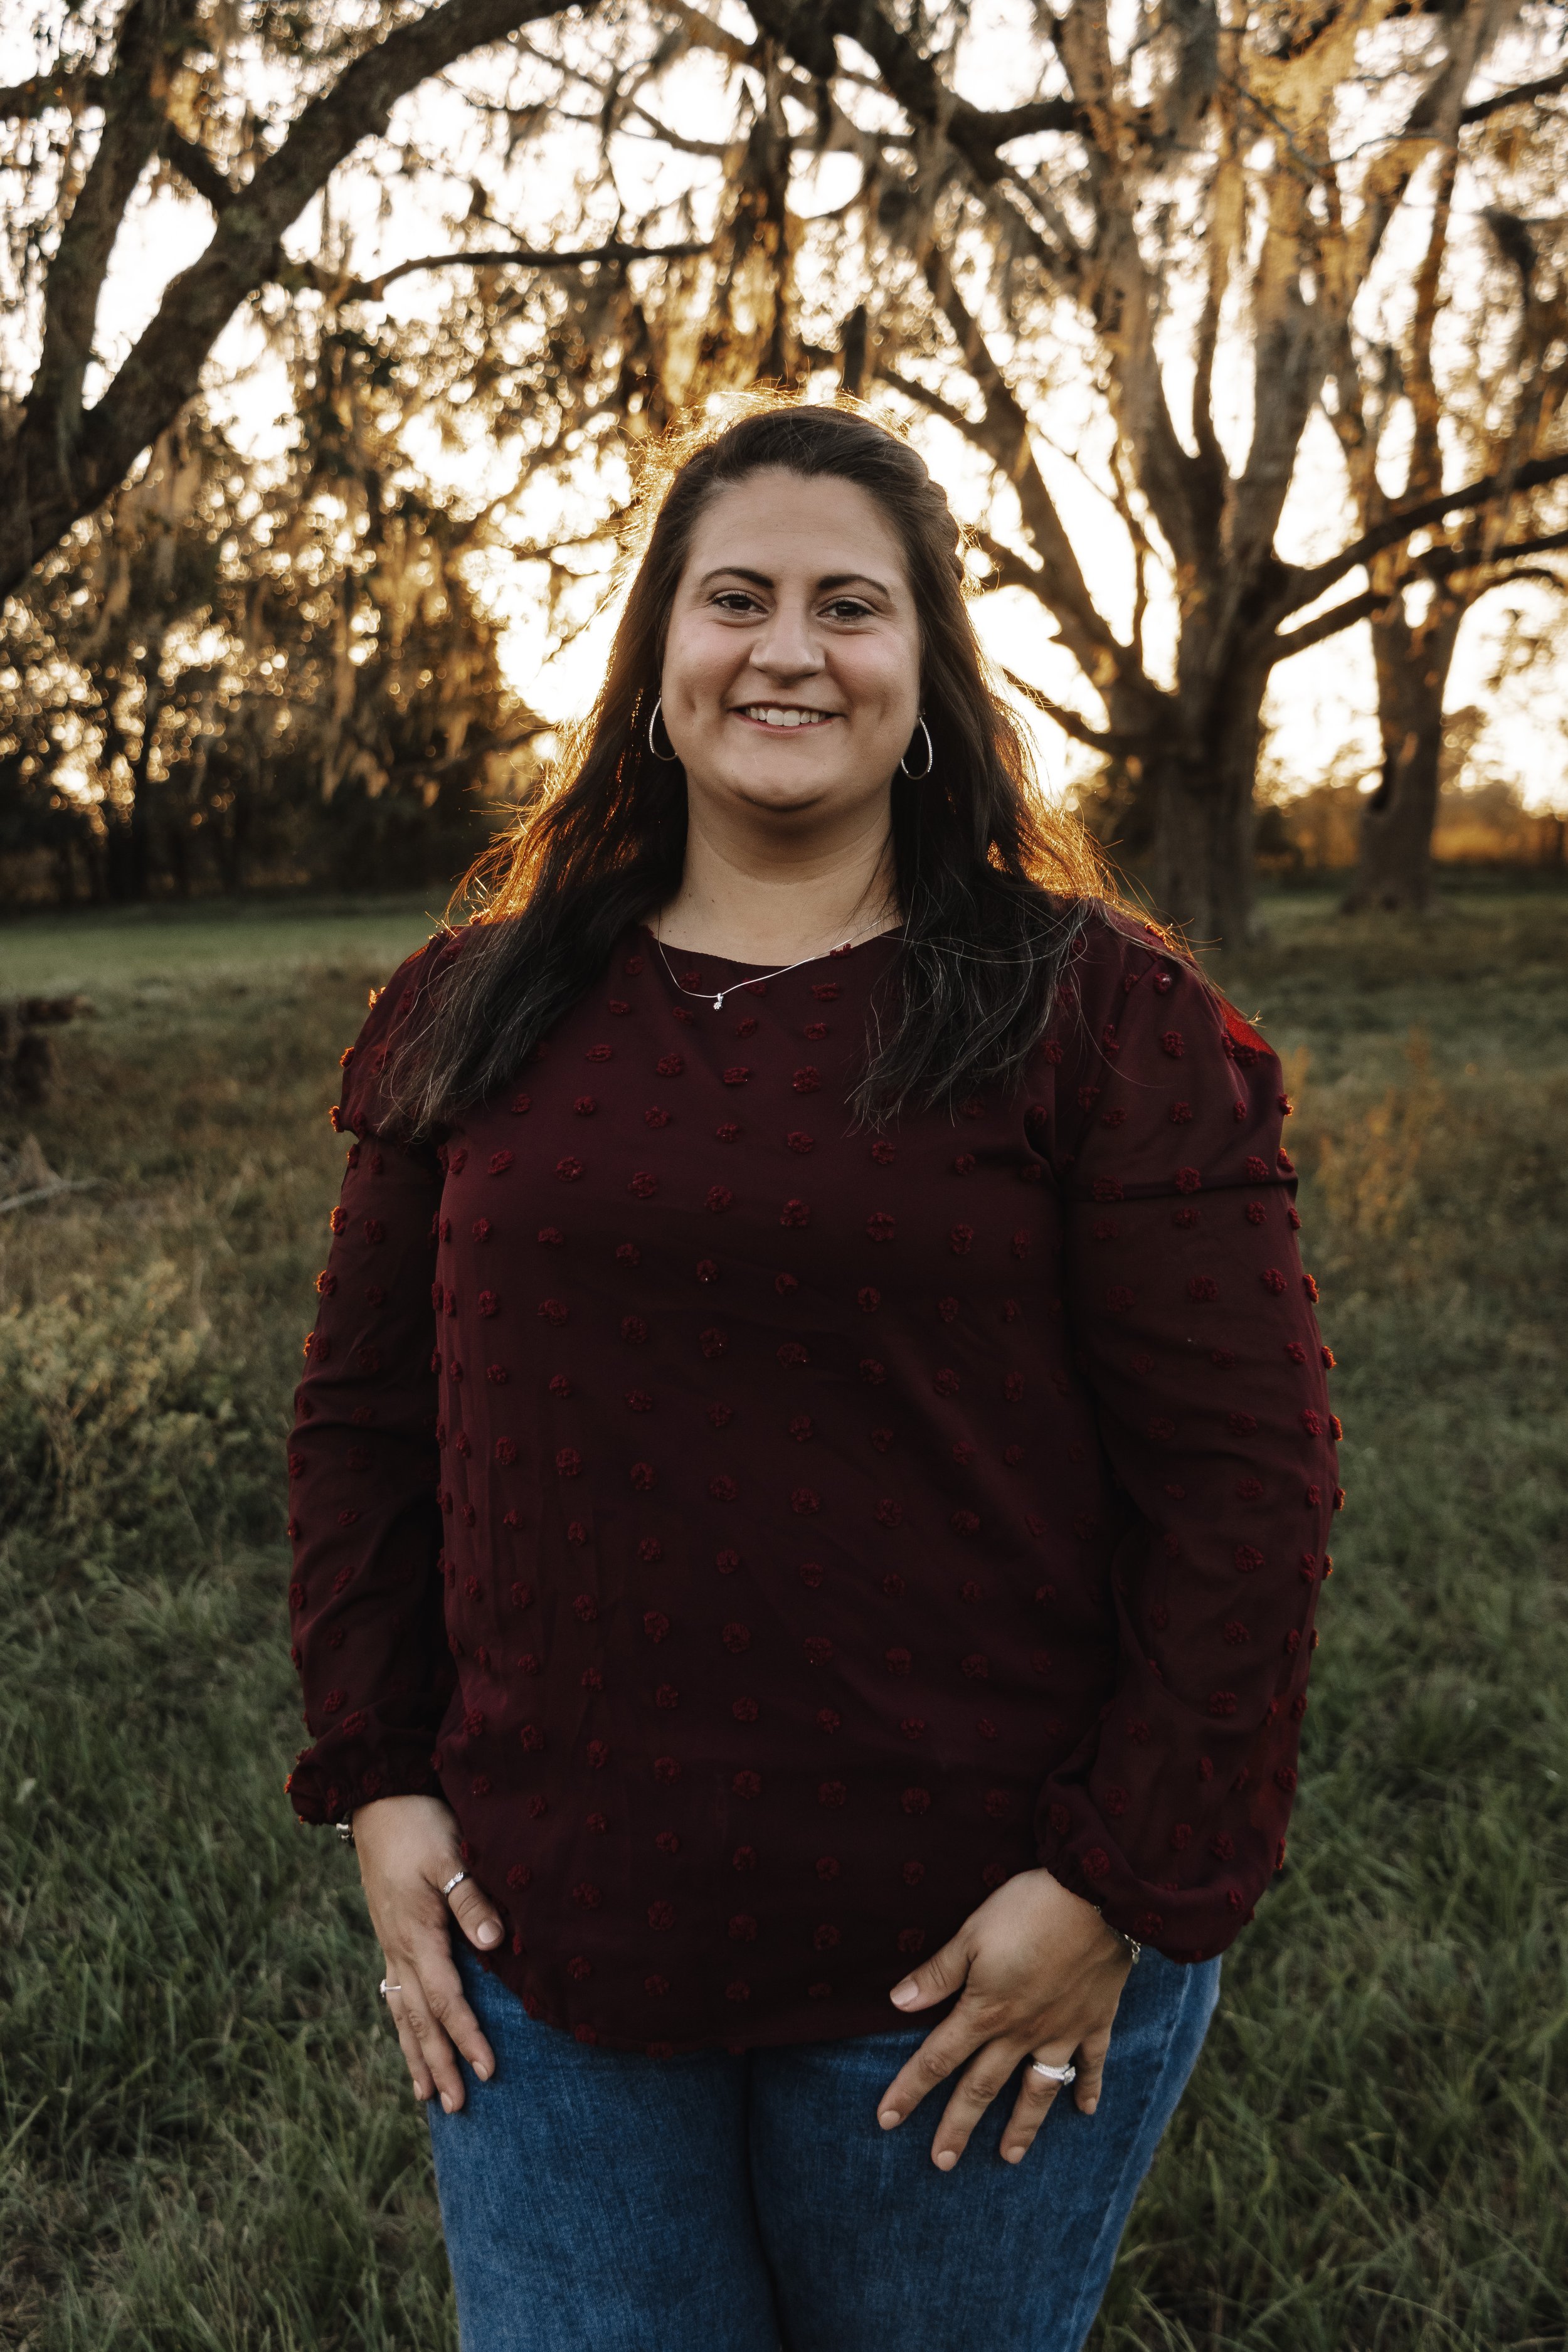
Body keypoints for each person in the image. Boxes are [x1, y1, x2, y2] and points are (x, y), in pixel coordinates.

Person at [283, 399, 1340, 2352]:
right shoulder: (475, 1005)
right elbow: (363, 1430)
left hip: (964, 1957)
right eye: (733, 599)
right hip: (551, 1936)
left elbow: (1244, 1487)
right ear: (655, 659)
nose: (786, 649)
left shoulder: (1091, 1014)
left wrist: (1112, 1886)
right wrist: (382, 1780)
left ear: (924, 674)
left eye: (849, 606)